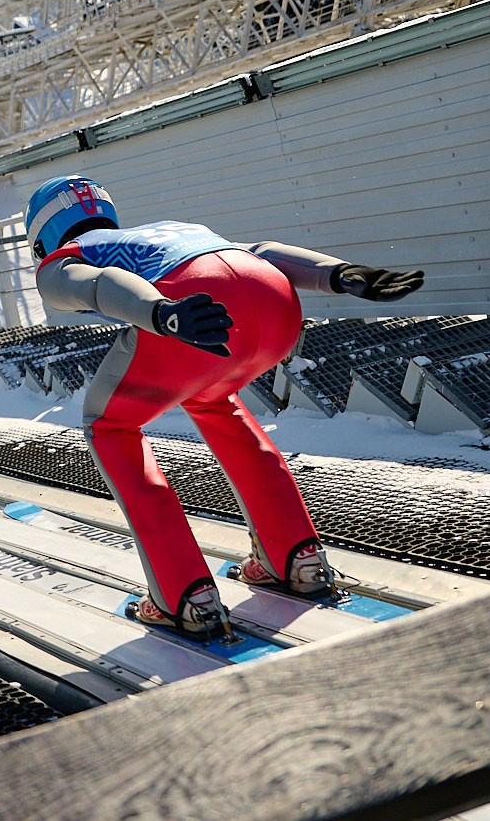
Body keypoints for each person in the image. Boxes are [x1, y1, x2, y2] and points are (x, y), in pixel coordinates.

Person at [26, 175, 422, 641]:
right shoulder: (164, 229)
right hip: (274, 305)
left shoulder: (66, 256)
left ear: (43, 237)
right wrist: (339, 274)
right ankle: (295, 558)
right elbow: (265, 253)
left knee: (110, 424)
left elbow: (97, 283)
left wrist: (159, 311)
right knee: (214, 399)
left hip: (192, 307)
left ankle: (182, 596)